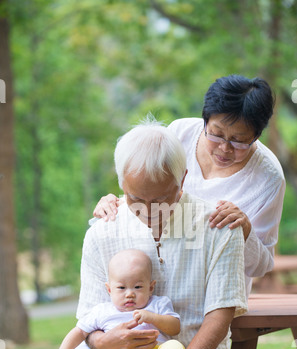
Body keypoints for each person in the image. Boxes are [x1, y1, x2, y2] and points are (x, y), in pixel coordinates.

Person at [62, 118, 247, 349]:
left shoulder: (219, 227)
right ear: (120, 183)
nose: (149, 212)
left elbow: (220, 317)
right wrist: (104, 343)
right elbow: (88, 322)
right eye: (135, 199)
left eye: (162, 198)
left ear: (183, 179)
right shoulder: (102, 233)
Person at [93, 75, 286, 298]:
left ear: (257, 135)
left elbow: (262, 266)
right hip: (155, 282)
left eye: (239, 140)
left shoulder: (268, 178)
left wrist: (245, 231)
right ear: (205, 120)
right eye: (216, 134)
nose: (224, 148)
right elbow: (149, 189)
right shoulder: (180, 134)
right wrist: (118, 201)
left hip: (217, 292)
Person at [51, 248, 196, 349]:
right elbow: (79, 332)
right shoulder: (102, 311)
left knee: (173, 346)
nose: (129, 294)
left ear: (151, 287)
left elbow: (175, 327)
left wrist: (152, 318)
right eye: (121, 288)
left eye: (138, 287)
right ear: (109, 289)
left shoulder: (157, 304)